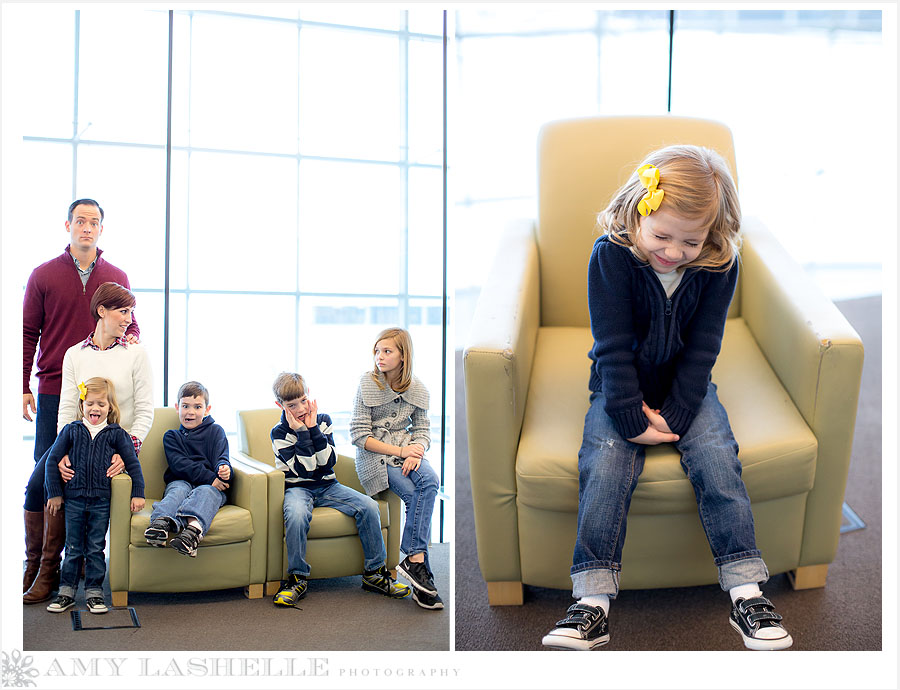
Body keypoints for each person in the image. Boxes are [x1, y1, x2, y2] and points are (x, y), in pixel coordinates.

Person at [540, 146, 793, 652]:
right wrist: (629, 416)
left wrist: (678, 411)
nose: (674, 252)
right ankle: (592, 603)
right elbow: (611, 348)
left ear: (712, 234)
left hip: (687, 388)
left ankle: (747, 592)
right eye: (661, 236)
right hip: (618, 386)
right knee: (605, 465)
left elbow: (703, 349)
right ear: (637, 211)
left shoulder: (719, 264)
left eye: (690, 241)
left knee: (719, 458)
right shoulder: (610, 256)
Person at [22, 199, 139, 595]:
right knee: (46, 473)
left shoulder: (116, 275)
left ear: (101, 229)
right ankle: (39, 564)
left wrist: (131, 343)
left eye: (94, 222)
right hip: (56, 388)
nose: (87, 227)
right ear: (68, 225)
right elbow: (27, 334)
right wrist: (24, 385)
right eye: (80, 221)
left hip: (101, 399)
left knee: (88, 480)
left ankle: (75, 569)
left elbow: (130, 321)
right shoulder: (43, 275)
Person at [23, 281, 153, 604]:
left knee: (89, 518)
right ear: (102, 312)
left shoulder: (136, 354)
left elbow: (145, 411)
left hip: (114, 448)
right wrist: (63, 452)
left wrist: (129, 451)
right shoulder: (74, 355)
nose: (128, 319)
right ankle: (43, 567)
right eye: (123, 312)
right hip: (77, 442)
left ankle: (72, 571)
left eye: (130, 312)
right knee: (38, 481)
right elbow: (67, 409)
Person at [270, 371, 410, 607]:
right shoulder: (279, 432)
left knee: (369, 506)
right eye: (292, 405)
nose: (301, 409)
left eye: (303, 401)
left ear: (308, 396)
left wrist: (313, 429)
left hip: (328, 485)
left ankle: (375, 573)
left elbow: (327, 463)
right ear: (280, 405)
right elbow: (305, 470)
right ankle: (297, 578)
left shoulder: (323, 420)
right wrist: (303, 433)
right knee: (295, 515)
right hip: (297, 489)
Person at [350, 327, 443, 610]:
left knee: (430, 480)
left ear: (403, 356)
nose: (380, 356)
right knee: (415, 495)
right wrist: (402, 451)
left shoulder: (419, 389)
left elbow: (423, 430)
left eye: (387, 351)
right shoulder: (367, 384)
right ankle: (418, 563)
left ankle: (414, 565)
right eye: (377, 351)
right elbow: (358, 436)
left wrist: (418, 450)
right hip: (375, 458)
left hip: (407, 453)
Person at [43, 377, 145, 614]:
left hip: (101, 501)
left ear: (110, 407)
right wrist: (55, 494)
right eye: (90, 403)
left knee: (96, 547)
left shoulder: (117, 434)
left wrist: (138, 493)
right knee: (73, 547)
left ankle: (94, 593)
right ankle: (66, 592)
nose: (95, 408)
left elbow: (133, 463)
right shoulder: (71, 430)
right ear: (82, 406)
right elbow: (51, 461)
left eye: (101, 404)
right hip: (74, 500)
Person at [143, 381, 232, 557]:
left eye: (197, 407)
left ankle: (192, 534)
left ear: (207, 409)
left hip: (209, 487)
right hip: (182, 480)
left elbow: (222, 457)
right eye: (185, 406)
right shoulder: (172, 437)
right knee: (178, 490)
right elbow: (179, 464)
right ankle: (160, 525)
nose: (190, 412)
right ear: (177, 407)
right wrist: (210, 477)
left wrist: (224, 469)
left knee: (206, 492)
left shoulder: (216, 432)